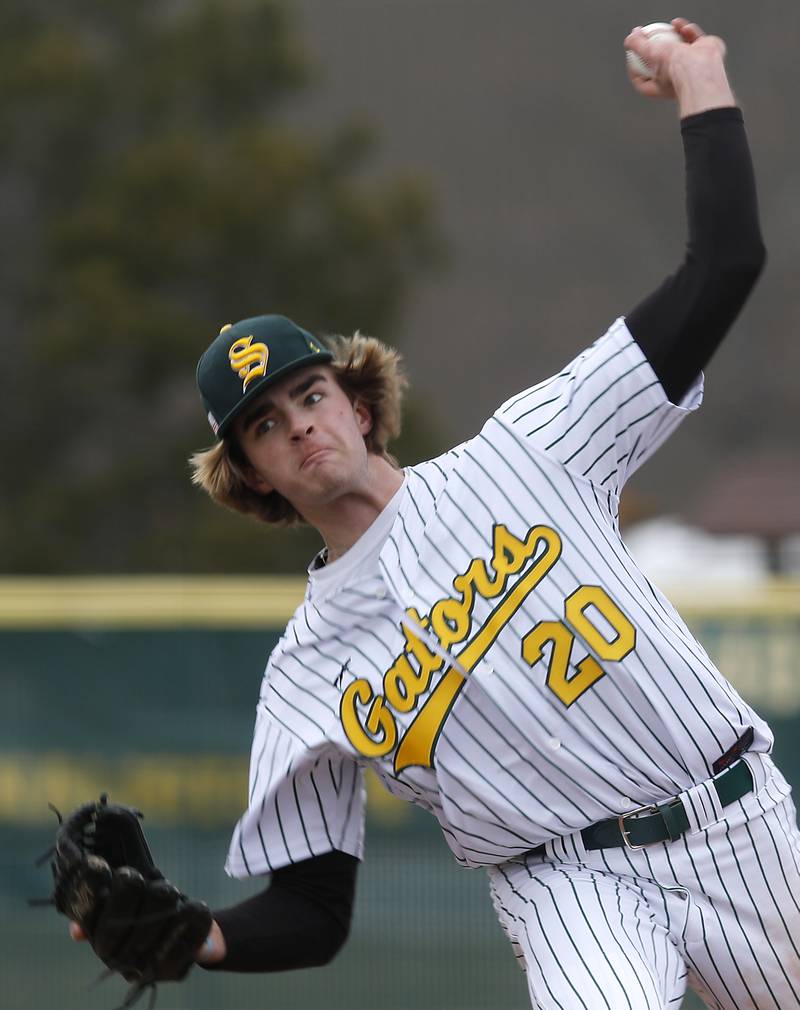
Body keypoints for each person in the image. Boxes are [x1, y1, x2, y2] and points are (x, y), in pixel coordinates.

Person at [73, 18, 800, 1010]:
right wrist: (201, 934)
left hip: (733, 825)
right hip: (567, 881)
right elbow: (312, 906)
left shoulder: (533, 446)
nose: (297, 426)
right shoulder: (306, 669)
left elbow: (722, 264)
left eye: (309, 394)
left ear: (359, 402)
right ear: (253, 478)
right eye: (263, 426)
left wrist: (701, 76)